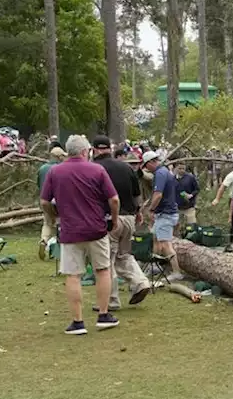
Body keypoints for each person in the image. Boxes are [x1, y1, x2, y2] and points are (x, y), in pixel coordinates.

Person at [39, 135, 120, 335]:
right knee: (102, 270)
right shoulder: (97, 170)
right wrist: (114, 220)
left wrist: (53, 215)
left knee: (73, 275)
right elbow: (114, 199)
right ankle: (103, 314)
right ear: (86, 151)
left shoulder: (55, 171)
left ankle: (77, 321)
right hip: (96, 229)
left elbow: (44, 201)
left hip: (70, 230)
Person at [91, 135, 151, 310]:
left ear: (94, 150)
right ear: (110, 148)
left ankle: (111, 300)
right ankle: (140, 282)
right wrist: (139, 212)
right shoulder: (126, 168)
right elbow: (136, 194)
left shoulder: (94, 168)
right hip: (130, 218)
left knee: (106, 260)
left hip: (109, 220)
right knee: (123, 256)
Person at [144, 151, 184, 281]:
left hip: (166, 213)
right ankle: (156, 265)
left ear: (151, 162)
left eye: (146, 165)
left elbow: (158, 195)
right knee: (156, 237)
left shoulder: (160, 174)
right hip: (166, 212)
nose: (146, 169)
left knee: (166, 244)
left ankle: (176, 271)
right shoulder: (165, 171)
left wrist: (151, 209)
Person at [37, 145, 66, 256]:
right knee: (60, 224)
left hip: (45, 200)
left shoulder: (42, 168)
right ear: (59, 157)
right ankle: (59, 248)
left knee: (47, 223)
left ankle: (44, 240)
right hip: (58, 201)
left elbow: (39, 184)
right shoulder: (61, 169)